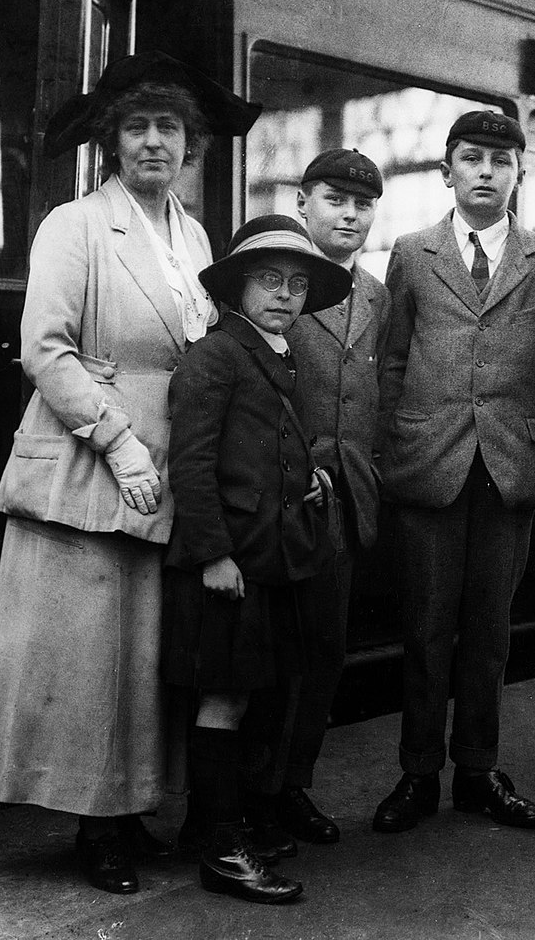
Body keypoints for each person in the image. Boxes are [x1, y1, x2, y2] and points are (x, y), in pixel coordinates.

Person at [0, 52, 259, 895]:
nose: (154, 142)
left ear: (191, 142)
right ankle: (97, 830)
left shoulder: (193, 234)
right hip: (93, 463)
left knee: (139, 653)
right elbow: (46, 352)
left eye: (169, 127)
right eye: (137, 127)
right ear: (111, 140)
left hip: (173, 466)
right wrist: (123, 445)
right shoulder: (76, 223)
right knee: (89, 656)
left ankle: (127, 812)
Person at [372, 110, 535, 833]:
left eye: (501, 160)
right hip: (430, 464)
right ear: (447, 172)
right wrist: (390, 451)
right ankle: (418, 773)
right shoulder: (412, 252)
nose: (486, 171)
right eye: (472, 158)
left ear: (520, 172)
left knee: (491, 630)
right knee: (426, 627)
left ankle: (479, 770)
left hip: (510, 466)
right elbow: (393, 359)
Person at [161, 215, 352, 903]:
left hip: (268, 560)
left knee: (251, 691)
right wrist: (212, 553)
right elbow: (193, 460)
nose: (285, 294)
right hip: (230, 563)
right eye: (269, 279)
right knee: (223, 694)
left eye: (298, 284)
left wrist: (310, 473)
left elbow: (269, 443)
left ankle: (219, 823)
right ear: (239, 287)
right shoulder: (216, 355)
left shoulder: (276, 353)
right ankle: (220, 844)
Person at [230, 149, 390, 851]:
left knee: (325, 650)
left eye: (362, 204)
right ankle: (252, 795)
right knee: (272, 655)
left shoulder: (379, 295)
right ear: (304, 204)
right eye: (334, 200)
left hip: (345, 502)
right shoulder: (274, 287)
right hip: (281, 503)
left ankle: (294, 785)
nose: (349, 214)